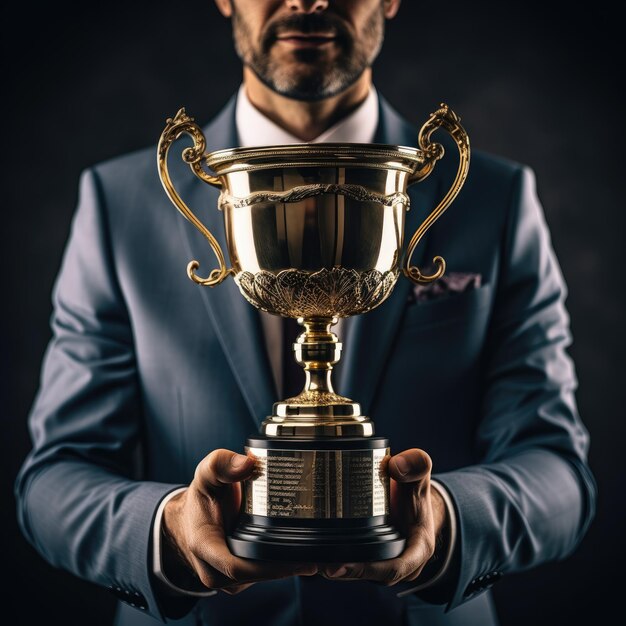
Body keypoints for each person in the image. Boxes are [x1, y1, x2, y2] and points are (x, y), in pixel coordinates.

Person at [15, 1, 596, 625]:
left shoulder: (495, 198)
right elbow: (54, 480)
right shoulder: (118, 205)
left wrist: (447, 522)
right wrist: (171, 532)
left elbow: (557, 471)